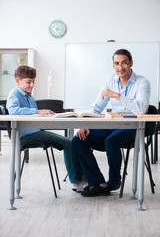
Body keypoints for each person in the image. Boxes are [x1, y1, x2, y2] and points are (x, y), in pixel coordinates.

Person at [72, 49, 151, 197]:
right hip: (111, 124)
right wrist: (85, 124)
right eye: (116, 63)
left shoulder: (142, 82)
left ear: (131, 63)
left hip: (133, 126)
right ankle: (98, 183)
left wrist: (117, 95)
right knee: (78, 140)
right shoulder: (110, 80)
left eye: (124, 63)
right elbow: (96, 107)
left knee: (111, 141)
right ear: (113, 65)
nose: (120, 67)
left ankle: (114, 182)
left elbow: (140, 109)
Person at [7, 65, 88, 192]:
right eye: (29, 82)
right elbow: (13, 111)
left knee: (72, 142)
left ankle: (83, 179)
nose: (32, 85)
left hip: (36, 131)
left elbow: (34, 115)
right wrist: (38, 111)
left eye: (33, 81)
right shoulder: (14, 94)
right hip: (26, 135)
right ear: (18, 81)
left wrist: (45, 115)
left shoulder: (29, 96)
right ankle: (77, 182)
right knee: (69, 143)